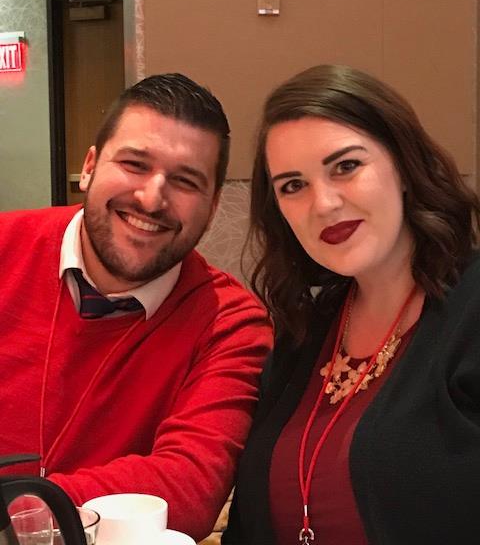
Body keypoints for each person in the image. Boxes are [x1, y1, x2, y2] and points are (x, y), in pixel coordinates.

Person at [0, 73, 272, 542]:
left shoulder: (230, 323)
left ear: (212, 207)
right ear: (89, 166)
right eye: (134, 164)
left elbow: (188, 490)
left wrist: (15, 511)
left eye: (186, 181)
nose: (151, 198)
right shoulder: (6, 248)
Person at [223, 64, 480, 544]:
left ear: (404, 166)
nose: (323, 204)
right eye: (293, 185)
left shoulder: (470, 311)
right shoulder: (307, 328)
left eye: (346, 166)